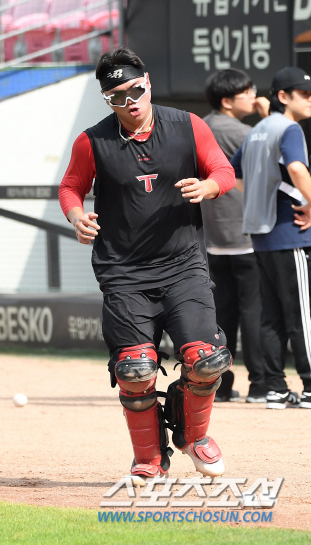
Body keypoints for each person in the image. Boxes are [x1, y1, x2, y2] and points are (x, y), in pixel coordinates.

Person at [58, 48, 235, 485]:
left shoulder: (187, 126)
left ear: (148, 82)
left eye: (136, 90)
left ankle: (194, 435)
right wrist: (77, 217)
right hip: (124, 273)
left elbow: (224, 170)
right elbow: (70, 187)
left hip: (183, 265)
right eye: (117, 96)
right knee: (135, 370)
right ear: (107, 101)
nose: (130, 101)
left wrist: (210, 185)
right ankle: (149, 457)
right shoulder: (92, 141)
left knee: (207, 359)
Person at [232, 66, 311, 410]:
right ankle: (310, 386)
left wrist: (260, 197)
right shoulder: (289, 128)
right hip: (289, 233)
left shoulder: (257, 130)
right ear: (283, 96)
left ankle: (276, 388)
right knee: (302, 315)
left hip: (262, 236)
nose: (310, 99)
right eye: (304, 94)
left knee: (272, 316)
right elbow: (296, 169)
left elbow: (233, 174)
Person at [201, 69, 269, 404]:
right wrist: (267, 115)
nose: (253, 95)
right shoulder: (246, 131)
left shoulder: (200, 127)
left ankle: (223, 385)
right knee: (254, 311)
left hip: (214, 238)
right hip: (247, 235)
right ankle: (259, 384)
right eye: (247, 92)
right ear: (228, 101)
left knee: (223, 314)